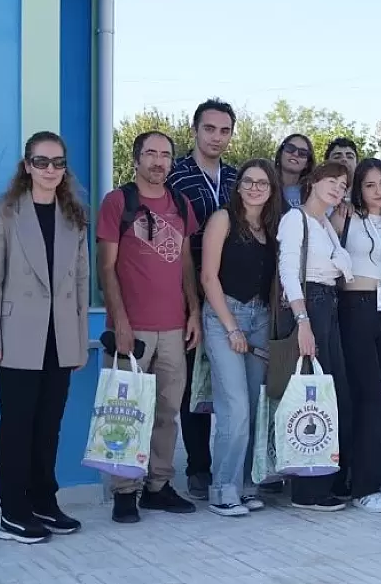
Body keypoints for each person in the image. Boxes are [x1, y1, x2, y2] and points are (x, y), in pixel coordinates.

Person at [0, 131, 90, 543]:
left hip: (60, 338)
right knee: (17, 426)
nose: (50, 170)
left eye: (58, 163)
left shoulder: (74, 215)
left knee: (49, 427)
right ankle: (13, 513)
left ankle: (44, 501)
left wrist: (78, 340)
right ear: (27, 166)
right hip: (15, 337)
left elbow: (81, 283)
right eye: (41, 162)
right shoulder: (5, 214)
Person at [98, 131, 200, 523]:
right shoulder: (118, 202)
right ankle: (125, 492)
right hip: (132, 329)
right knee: (125, 411)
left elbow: (187, 264)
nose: (159, 161)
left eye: (166, 155)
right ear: (137, 158)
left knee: (166, 412)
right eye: (151, 154)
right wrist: (120, 320)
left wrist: (193, 311)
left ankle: (158, 486)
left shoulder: (180, 203)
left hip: (174, 327)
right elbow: (105, 268)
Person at [198, 159, 282, 517]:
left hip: (260, 317)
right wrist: (231, 326)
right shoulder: (222, 219)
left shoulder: (272, 227)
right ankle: (222, 489)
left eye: (262, 183)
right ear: (238, 185)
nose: (254, 187)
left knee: (252, 404)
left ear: (271, 189)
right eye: (248, 181)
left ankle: (246, 484)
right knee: (234, 406)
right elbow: (208, 277)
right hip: (223, 317)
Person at [331, 158, 381, 512]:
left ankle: (370, 474)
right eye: (370, 185)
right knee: (368, 397)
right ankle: (362, 487)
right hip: (354, 308)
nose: (378, 191)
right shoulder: (345, 217)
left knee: (379, 396)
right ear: (357, 189)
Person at [167, 98, 239, 501]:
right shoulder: (174, 177)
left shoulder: (236, 178)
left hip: (232, 295)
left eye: (224, 130)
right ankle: (198, 467)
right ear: (194, 130)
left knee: (231, 385)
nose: (217, 137)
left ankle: (234, 465)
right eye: (209, 128)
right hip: (185, 291)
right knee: (193, 382)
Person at [276, 161, 355, 512]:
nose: (338, 189)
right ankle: (307, 490)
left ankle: (325, 479)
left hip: (329, 304)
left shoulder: (326, 224)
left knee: (329, 397)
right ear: (314, 181)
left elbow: (343, 269)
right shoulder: (296, 219)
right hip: (310, 307)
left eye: (343, 185)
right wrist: (303, 321)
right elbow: (289, 273)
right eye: (332, 181)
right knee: (311, 397)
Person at [275, 134, 314, 208]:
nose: (295, 154)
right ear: (280, 154)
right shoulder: (265, 186)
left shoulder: (313, 192)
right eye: (290, 148)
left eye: (303, 153)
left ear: (307, 163)